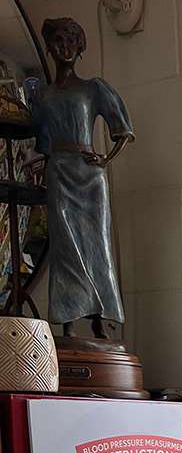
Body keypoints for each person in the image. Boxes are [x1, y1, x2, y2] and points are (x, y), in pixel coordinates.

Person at [31, 17, 134, 339]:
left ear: (80, 48)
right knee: (64, 247)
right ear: (49, 47)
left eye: (71, 41)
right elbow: (44, 144)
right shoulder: (42, 97)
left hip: (90, 177)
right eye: (58, 41)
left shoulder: (93, 88)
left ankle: (99, 319)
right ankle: (68, 321)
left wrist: (105, 159)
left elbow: (123, 130)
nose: (65, 47)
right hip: (59, 173)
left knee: (97, 245)